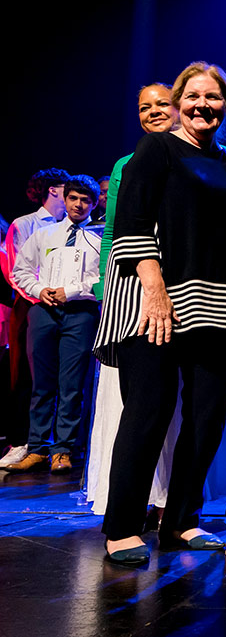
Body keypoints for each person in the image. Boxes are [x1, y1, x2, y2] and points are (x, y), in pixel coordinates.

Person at [93, 62, 226, 565]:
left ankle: (181, 520)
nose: (203, 105)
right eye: (193, 96)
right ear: (179, 101)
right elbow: (130, 221)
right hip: (154, 304)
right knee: (148, 414)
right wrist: (155, 289)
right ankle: (121, 526)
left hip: (216, 307)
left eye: (214, 98)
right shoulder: (156, 148)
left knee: (206, 420)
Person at [85, 83, 180, 520]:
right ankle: (135, 503)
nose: (154, 112)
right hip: (136, 294)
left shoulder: (219, 157)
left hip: (199, 296)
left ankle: (173, 504)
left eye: (163, 103)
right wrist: (109, 294)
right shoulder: (129, 162)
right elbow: (113, 233)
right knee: (141, 406)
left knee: (183, 408)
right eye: (145, 107)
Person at [8, 175, 103, 474]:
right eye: (73, 198)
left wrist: (72, 291)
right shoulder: (44, 235)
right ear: (65, 199)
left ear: (93, 203)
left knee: (72, 385)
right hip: (44, 311)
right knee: (41, 384)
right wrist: (39, 290)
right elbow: (20, 271)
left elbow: (105, 279)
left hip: (80, 313)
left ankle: (64, 450)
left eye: (85, 200)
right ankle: (37, 448)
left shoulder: (99, 239)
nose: (79, 204)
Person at [0, 168, 70, 471]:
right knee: (27, 376)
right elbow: (15, 269)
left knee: (64, 378)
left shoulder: (71, 225)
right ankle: (24, 441)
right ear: (53, 191)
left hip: (67, 305)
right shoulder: (25, 224)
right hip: (31, 306)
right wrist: (42, 294)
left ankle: (58, 444)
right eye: (65, 189)